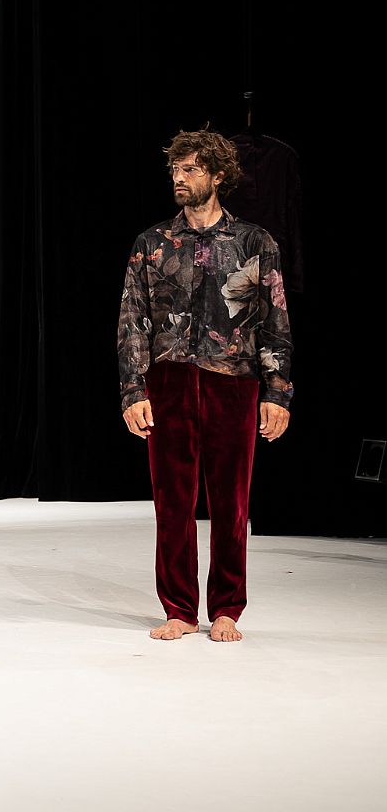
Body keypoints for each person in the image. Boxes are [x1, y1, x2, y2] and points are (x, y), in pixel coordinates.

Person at [117, 128, 293, 643]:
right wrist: (133, 390)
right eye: (175, 168)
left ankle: (227, 608)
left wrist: (277, 393)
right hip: (169, 381)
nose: (179, 176)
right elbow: (132, 320)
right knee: (172, 500)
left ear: (217, 175)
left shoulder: (254, 242)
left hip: (233, 381)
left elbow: (274, 321)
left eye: (191, 168)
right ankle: (178, 607)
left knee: (231, 502)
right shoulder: (152, 243)